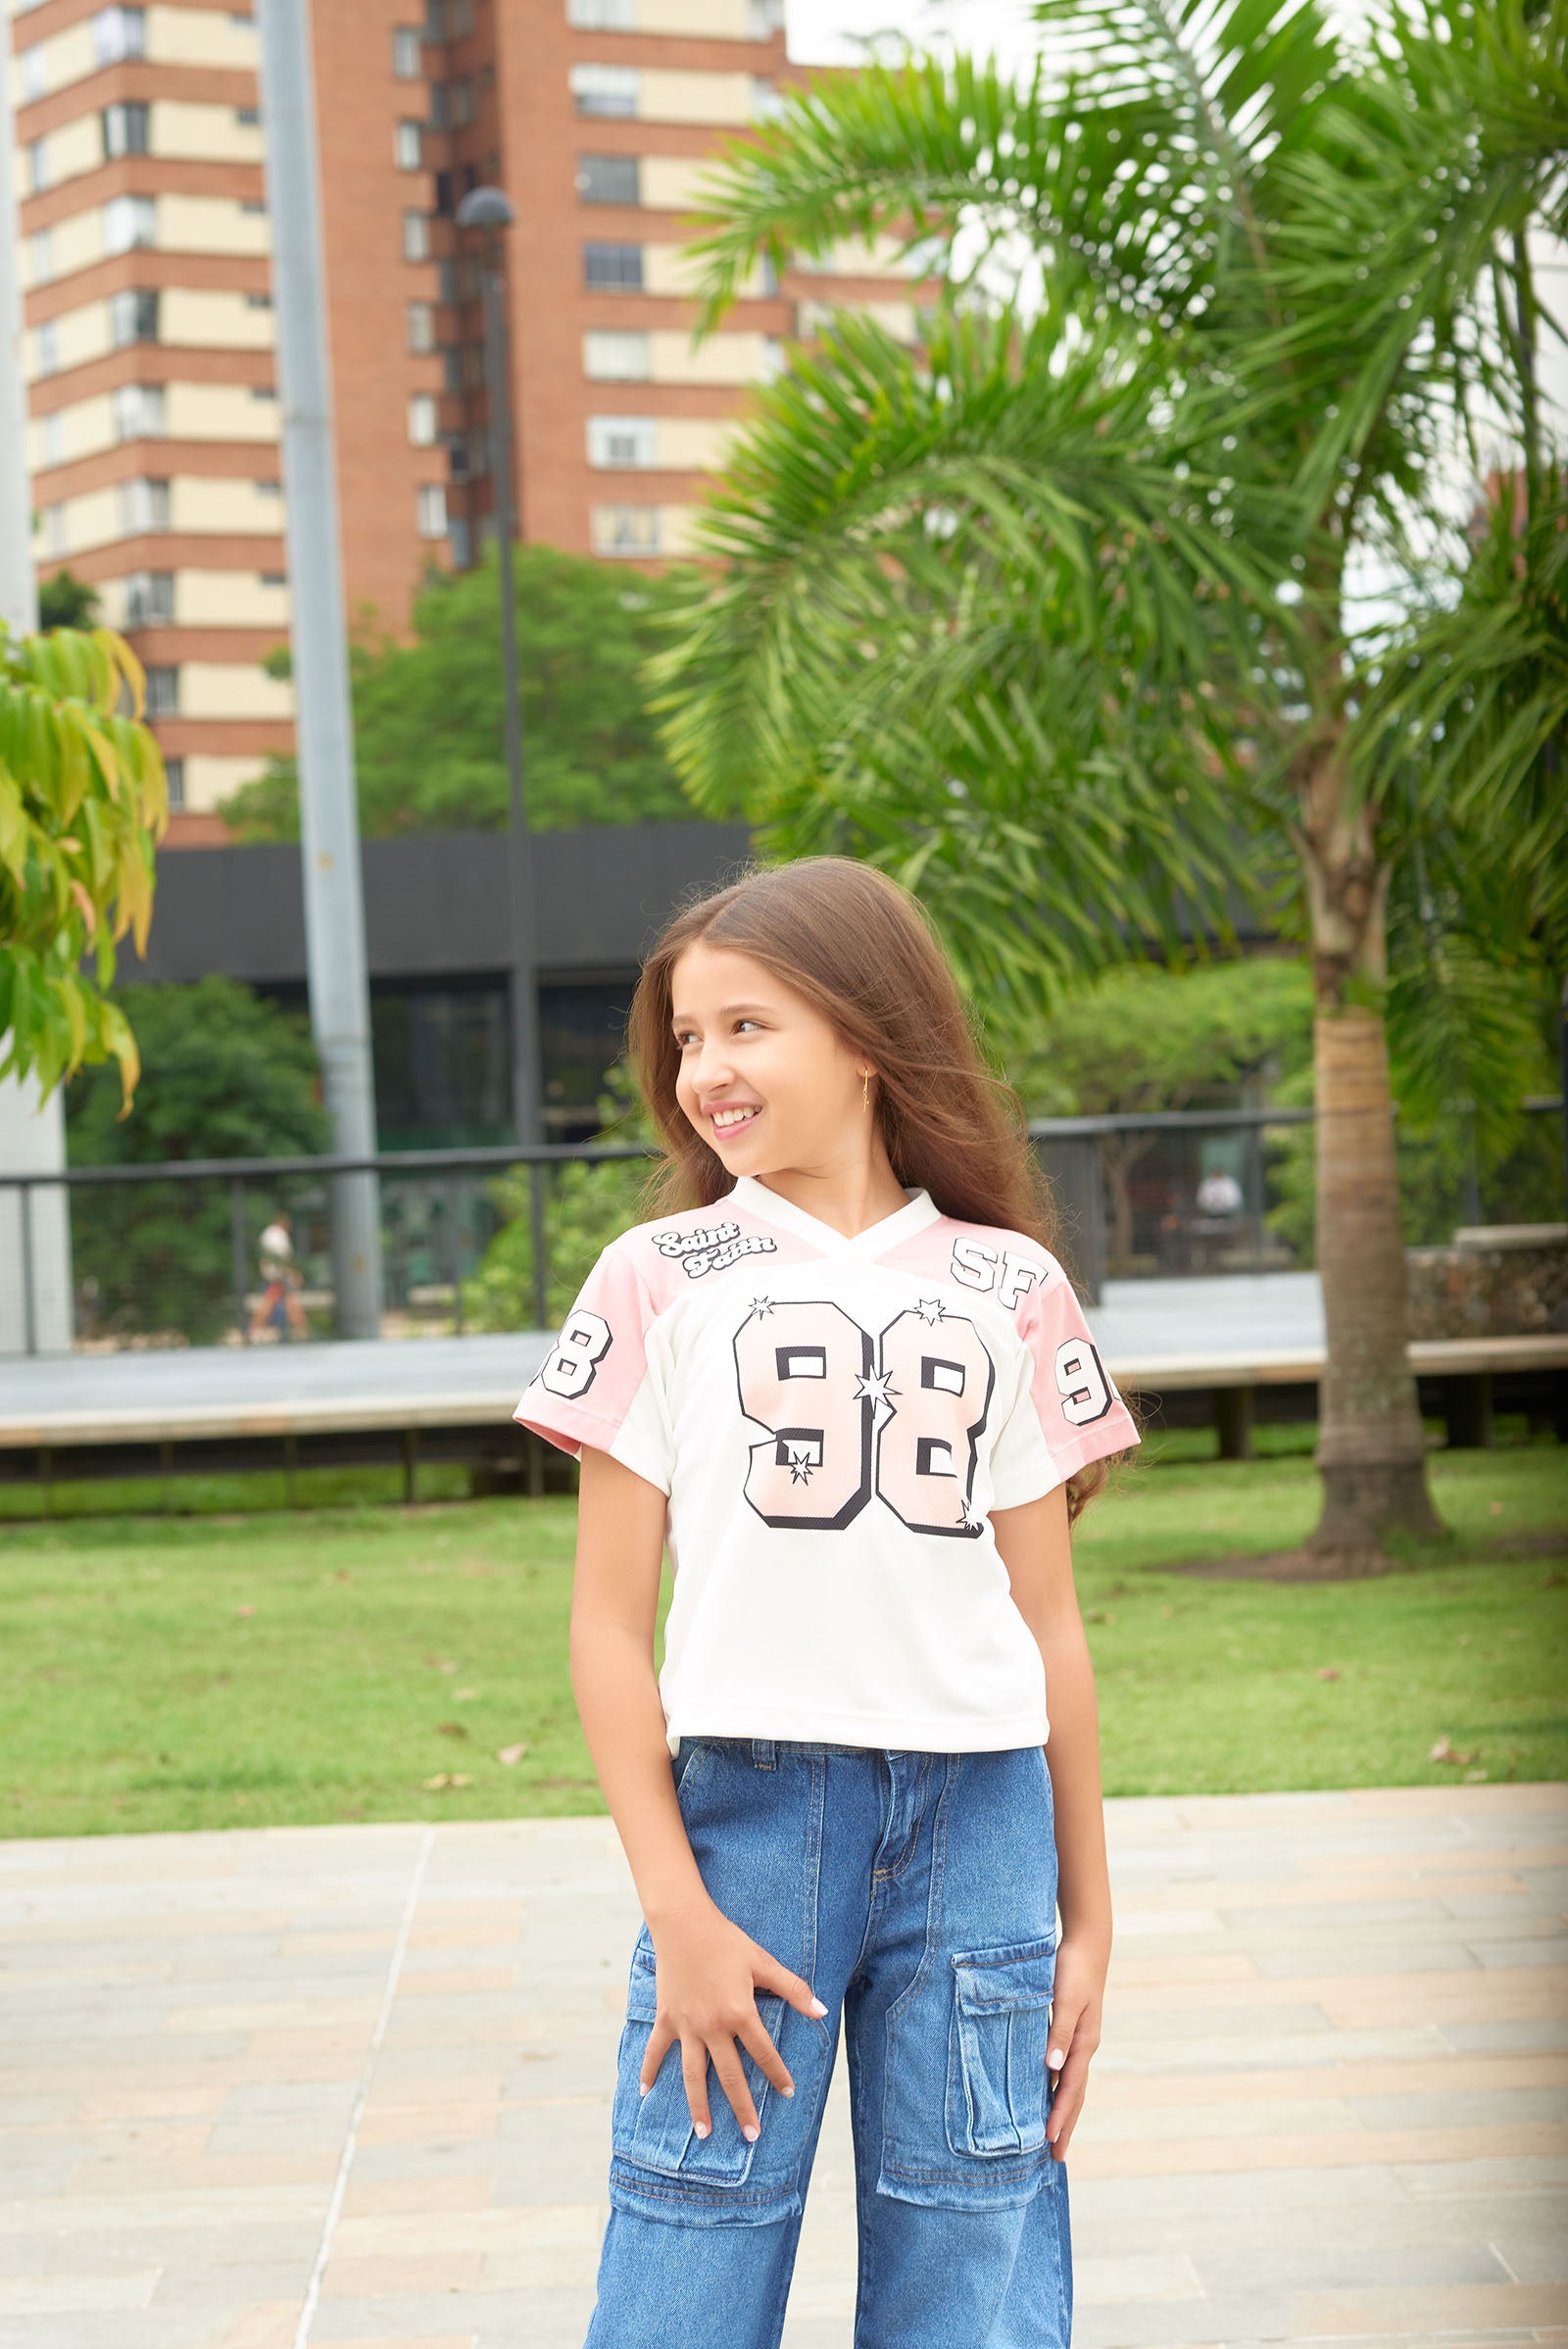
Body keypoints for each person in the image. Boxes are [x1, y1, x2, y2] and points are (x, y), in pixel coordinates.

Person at [514, 858, 1138, 2349]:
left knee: (970, 2259)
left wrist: (1091, 1919)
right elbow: (605, 1628)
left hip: (982, 1828)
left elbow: (1050, 1627)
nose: (705, 1071)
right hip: (747, 1826)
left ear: (866, 1035)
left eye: (747, 1027)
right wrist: (679, 1914)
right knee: (686, 2260)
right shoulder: (657, 1277)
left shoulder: (1009, 1283)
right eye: (687, 1038)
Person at [249, 1208, 307, 1341]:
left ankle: (301, 1329)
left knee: (287, 1301)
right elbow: (280, 1258)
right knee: (275, 1301)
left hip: (275, 1274)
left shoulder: (269, 1234)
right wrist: (292, 1273)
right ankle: (255, 1330)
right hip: (279, 1276)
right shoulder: (277, 1235)